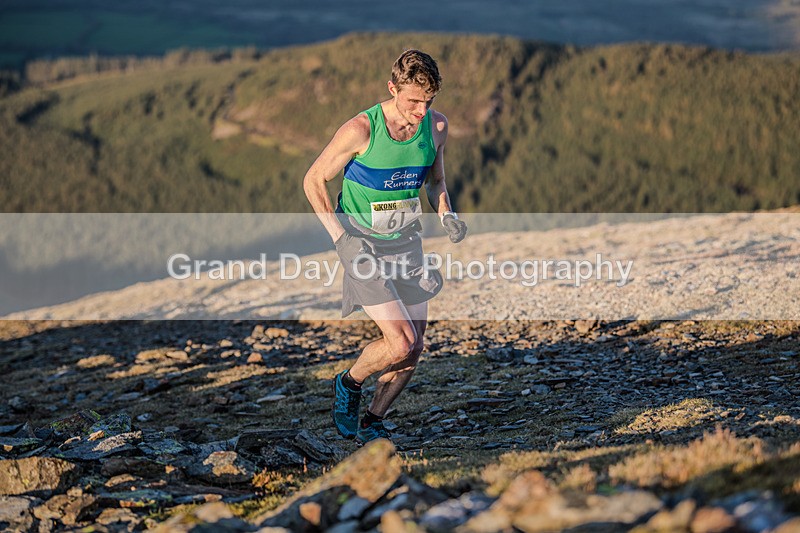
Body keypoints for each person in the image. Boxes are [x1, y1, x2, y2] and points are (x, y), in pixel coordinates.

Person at [303, 49, 468, 445]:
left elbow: (436, 182)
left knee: (414, 348)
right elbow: (313, 180)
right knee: (400, 340)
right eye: (413, 101)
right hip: (362, 244)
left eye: (428, 101)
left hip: (407, 243)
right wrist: (340, 238)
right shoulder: (361, 130)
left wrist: (447, 214)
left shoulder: (436, 126)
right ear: (392, 88)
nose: (421, 110)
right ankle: (349, 382)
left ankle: (374, 419)